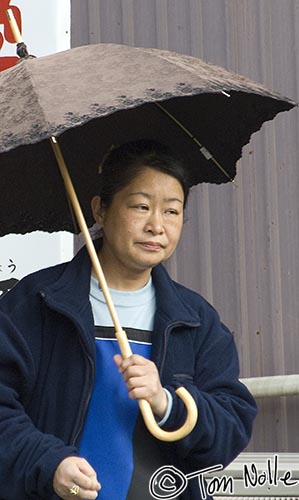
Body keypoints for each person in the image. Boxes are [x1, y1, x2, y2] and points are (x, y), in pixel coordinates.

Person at [0, 139, 257, 500]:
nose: (157, 226)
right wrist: (48, 463)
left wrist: (166, 403)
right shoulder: (36, 303)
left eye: (171, 211)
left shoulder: (196, 320)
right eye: (140, 206)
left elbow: (232, 424)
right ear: (100, 210)